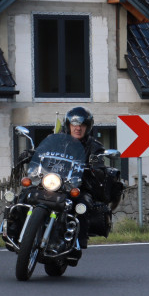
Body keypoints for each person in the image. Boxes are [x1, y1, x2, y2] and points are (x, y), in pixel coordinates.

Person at [61, 107, 109, 258]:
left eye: (82, 125)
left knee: (82, 203)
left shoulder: (95, 146)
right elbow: (44, 152)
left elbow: (100, 165)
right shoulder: (59, 141)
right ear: (68, 125)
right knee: (29, 193)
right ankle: (13, 225)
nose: (78, 128)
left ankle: (78, 241)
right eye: (74, 124)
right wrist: (32, 153)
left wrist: (96, 166)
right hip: (57, 182)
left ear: (87, 127)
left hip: (80, 185)